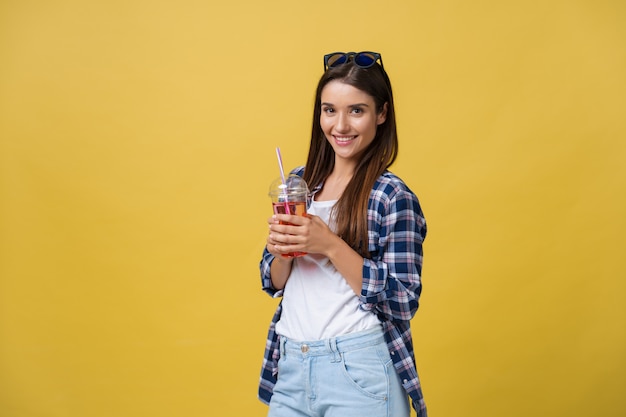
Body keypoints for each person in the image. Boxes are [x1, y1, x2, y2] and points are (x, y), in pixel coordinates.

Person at [258, 51, 427, 417]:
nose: (340, 125)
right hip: (290, 363)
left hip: (359, 368)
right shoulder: (299, 184)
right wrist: (282, 250)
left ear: (381, 114)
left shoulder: (391, 196)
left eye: (356, 110)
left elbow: (402, 300)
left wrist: (330, 245)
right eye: (329, 109)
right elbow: (271, 280)